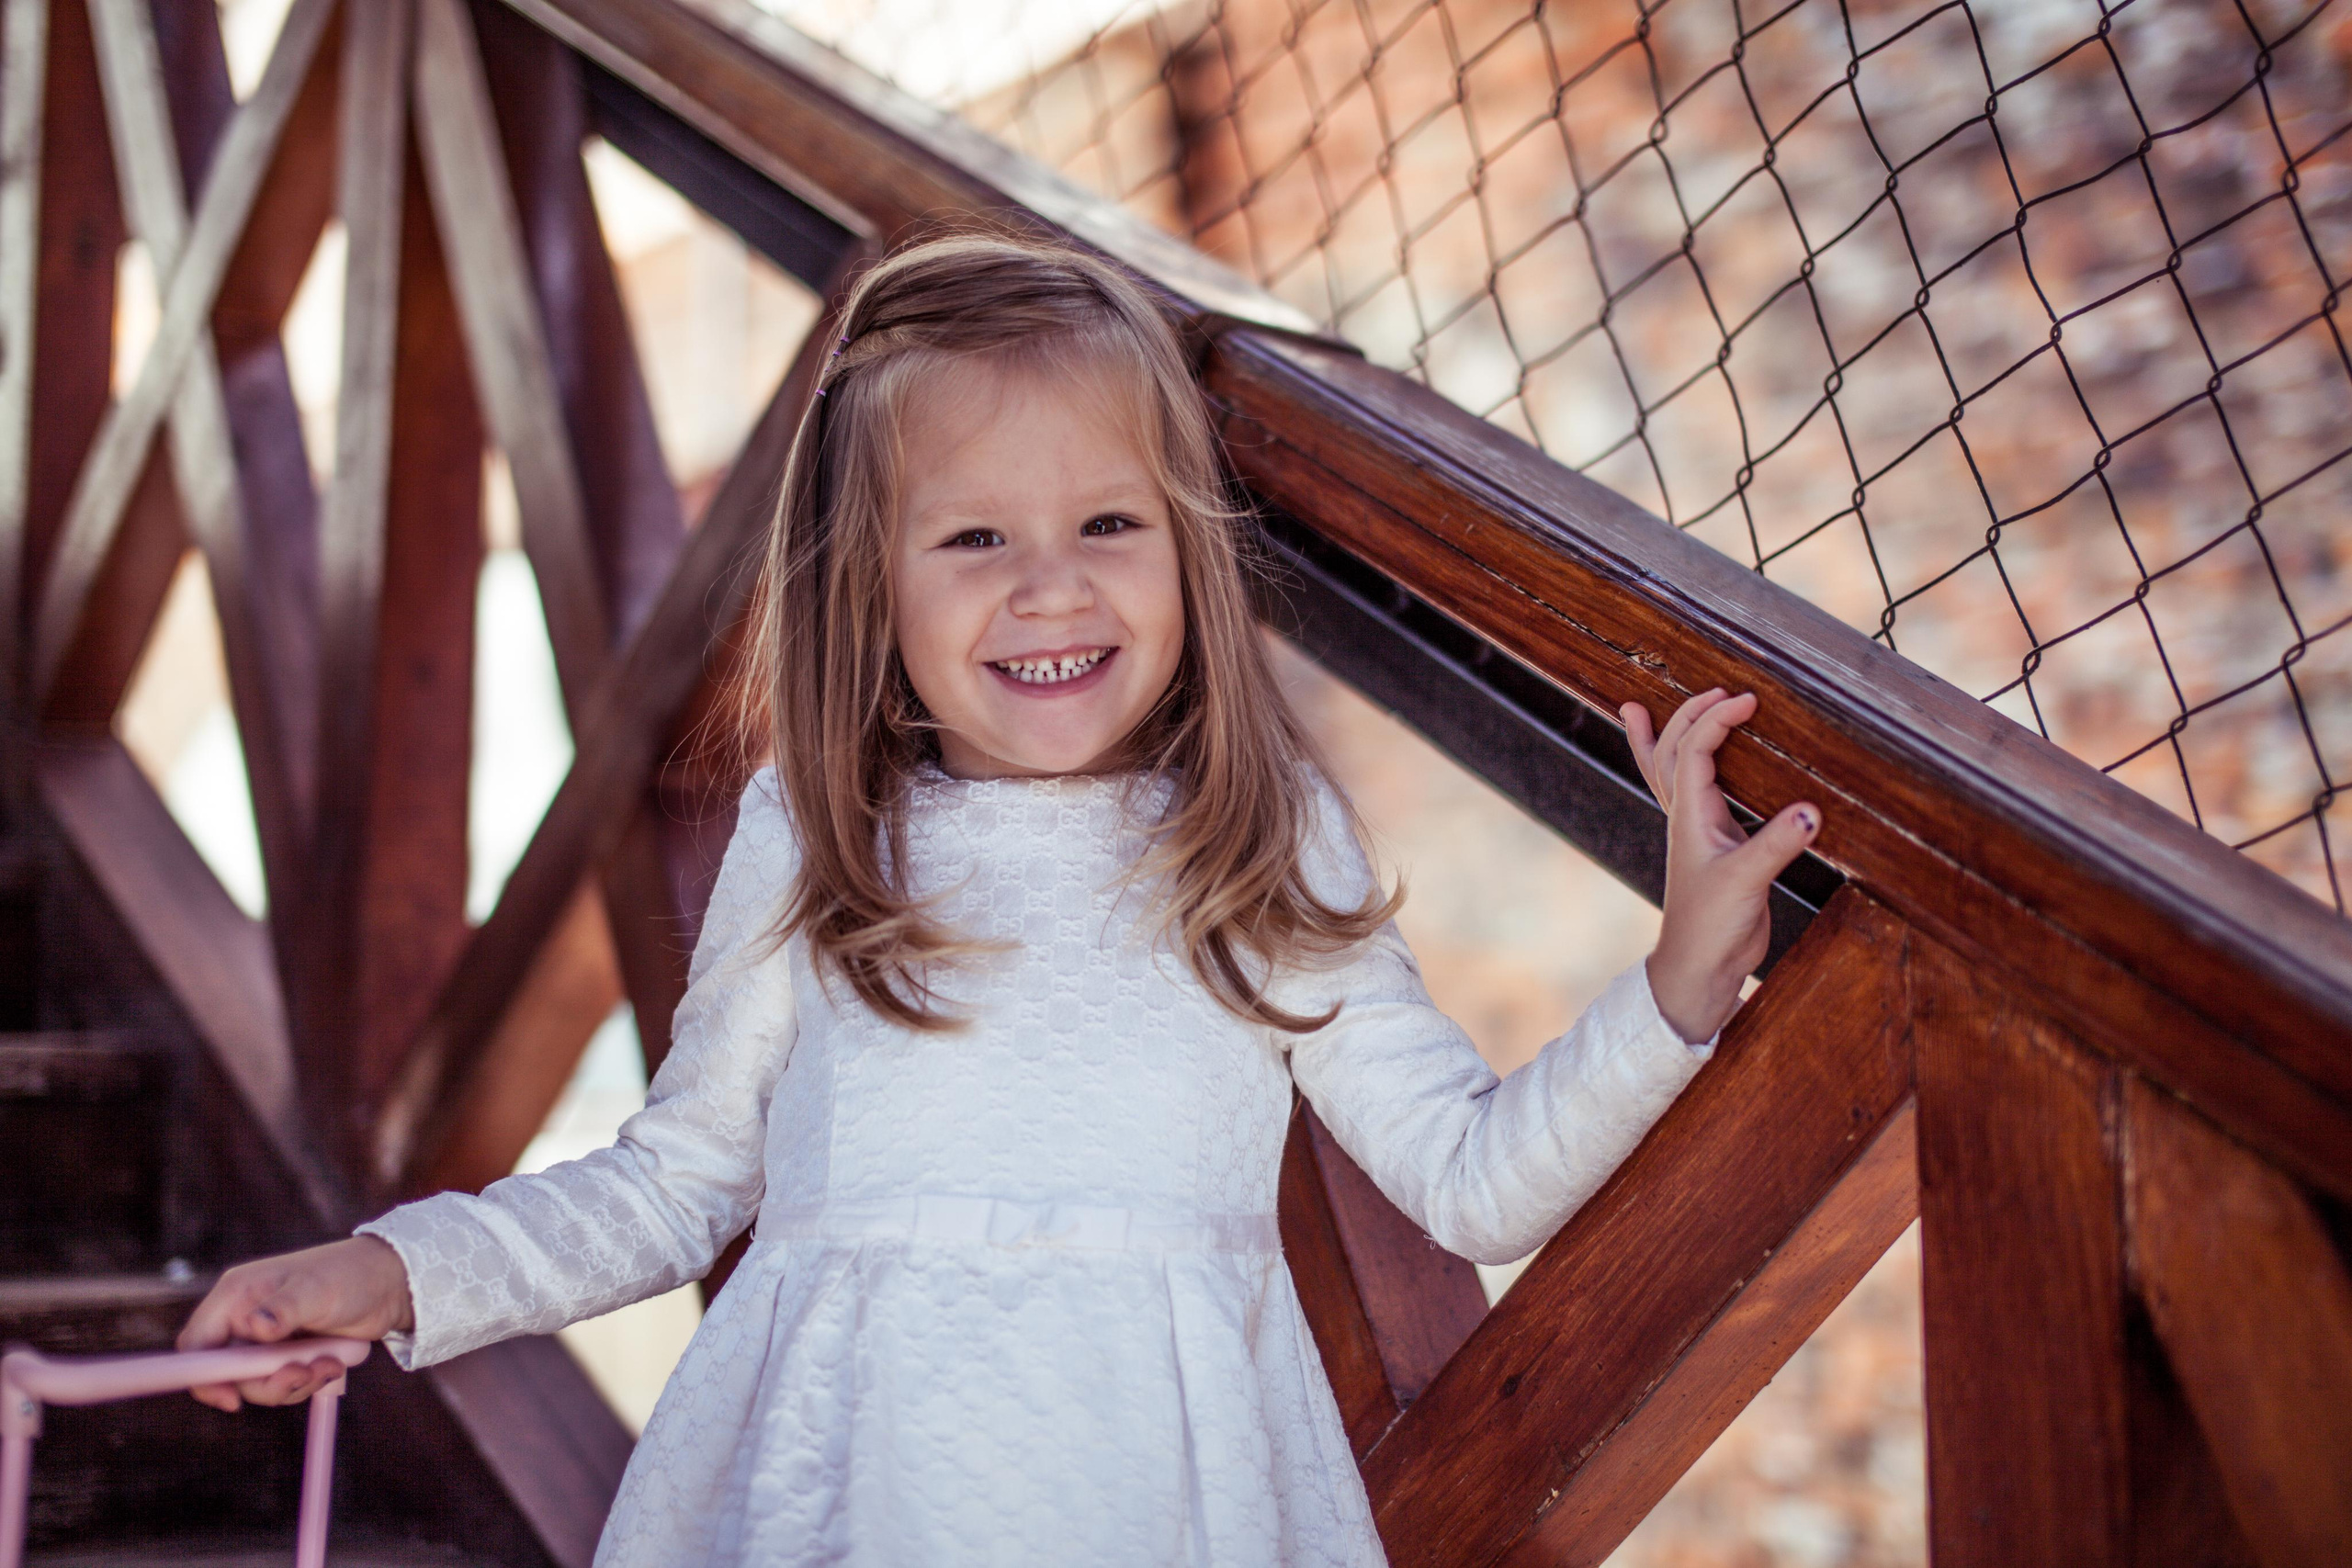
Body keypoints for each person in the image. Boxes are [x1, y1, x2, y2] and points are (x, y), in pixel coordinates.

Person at [175, 232, 1820, 1565]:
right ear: (866, 589)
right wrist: (397, 1275)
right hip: (833, 1496)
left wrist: (1679, 981)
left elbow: (1472, 1181)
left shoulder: (1255, 844)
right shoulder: (819, 843)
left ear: (1190, 553)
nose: (1053, 584)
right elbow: (672, 1187)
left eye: (1111, 522)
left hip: (1156, 1504)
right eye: (972, 536)